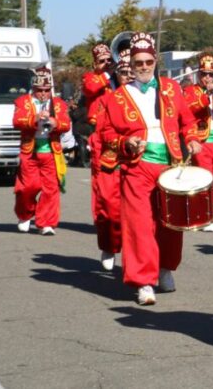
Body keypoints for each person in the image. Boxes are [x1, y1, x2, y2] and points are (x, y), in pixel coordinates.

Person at [99, 32, 202, 306]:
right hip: (138, 166)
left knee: (170, 223)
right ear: (130, 65)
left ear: (155, 61)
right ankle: (143, 281)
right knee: (140, 225)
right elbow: (106, 133)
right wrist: (125, 142)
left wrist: (191, 139)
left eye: (148, 61)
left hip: (171, 164)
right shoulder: (118, 97)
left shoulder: (171, 89)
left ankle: (166, 268)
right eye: (138, 62)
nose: (144, 67)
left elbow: (187, 121)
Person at [12, 67, 71, 236]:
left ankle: (46, 222)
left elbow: (66, 123)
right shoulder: (22, 101)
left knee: (50, 189)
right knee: (28, 187)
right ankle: (25, 214)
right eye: (40, 90)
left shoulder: (58, 103)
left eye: (47, 90)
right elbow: (17, 121)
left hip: (50, 151)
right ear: (33, 88)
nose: (43, 94)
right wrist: (35, 118)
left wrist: (55, 122)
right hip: (29, 150)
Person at [88, 51, 132, 271]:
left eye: (132, 73)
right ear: (117, 74)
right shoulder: (106, 98)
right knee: (110, 210)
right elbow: (100, 128)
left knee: (141, 215)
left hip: (141, 160)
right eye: (124, 72)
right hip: (112, 157)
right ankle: (109, 246)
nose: (129, 77)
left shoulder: (151, 95)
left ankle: (141, 265)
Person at [183, 52, 213, 233]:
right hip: (200, 141)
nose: (208, 78)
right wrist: (205, 97)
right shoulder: (190, 91)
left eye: (211, 74)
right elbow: (190, 108)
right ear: (199, 74)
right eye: (204, 74)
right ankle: (208, 216)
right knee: (206, 180)